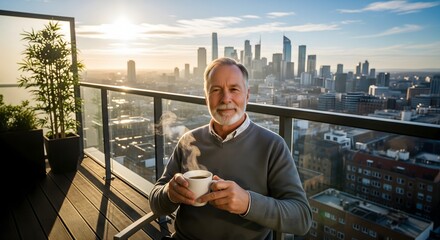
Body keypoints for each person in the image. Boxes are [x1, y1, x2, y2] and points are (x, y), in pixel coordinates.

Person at [149, 57, 312, 240]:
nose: (226, 98)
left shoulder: (273, 145)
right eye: (216, 90)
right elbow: (156, 202)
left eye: (234, 89)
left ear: (247, 95)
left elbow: (302, 218)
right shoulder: (188, 140)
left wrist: (248, 203)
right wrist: (169, 194)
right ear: (206, 97)